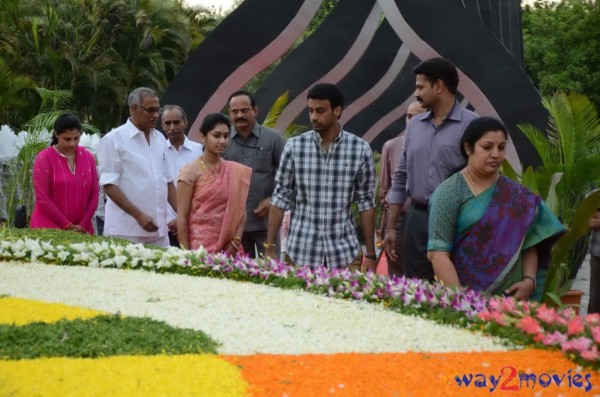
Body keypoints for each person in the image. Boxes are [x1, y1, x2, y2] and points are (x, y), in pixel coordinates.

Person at [427, 117, 565, 300]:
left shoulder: (517, 195)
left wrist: (529, 280)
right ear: (468, 148)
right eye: (487, 147)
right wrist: (461, 302)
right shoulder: (449, 193)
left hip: (511, 303)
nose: (496, 154)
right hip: (462, 300)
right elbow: (438, 255)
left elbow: (529, 240)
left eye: (501, 147)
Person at [265, 83, 377, 272]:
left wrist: (371, 255)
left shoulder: (359, 149)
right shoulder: (295, 147)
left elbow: (365, 203)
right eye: (310, 111)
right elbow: (280, 198)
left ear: (337, 111)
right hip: (301, 252)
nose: (314, 117)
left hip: (344, 254)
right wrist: (269, 248)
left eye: (320, 111)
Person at [384, 57, 478, 282]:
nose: (416, 93)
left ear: (439, 86)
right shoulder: (415, 125)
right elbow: (400, 177)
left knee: (457, 289)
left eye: (420, 87)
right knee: (415, 292)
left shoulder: (472, 125)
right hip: (416, 219)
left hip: (457, 221)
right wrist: (390, 228)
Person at [97, 87, 177, 247]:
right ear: (134, 109)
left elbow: (167, 181)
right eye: (150, 110)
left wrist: (183, 214)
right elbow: (109, 185)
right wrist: (138, 215)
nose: (156, 115)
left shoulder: (160, 138)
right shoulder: (113, 140)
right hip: (125, 232)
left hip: (159, 232)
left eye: (157, 110)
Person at [176, 113, 252, 255]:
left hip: (231, 247)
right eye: (216, 136)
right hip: (199, 249)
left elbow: (241, 211)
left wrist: (235, 241)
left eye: (226, 136)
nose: (222, 141)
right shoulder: (189, 172)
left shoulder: (234, 170)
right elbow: (182, 217)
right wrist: (186, 255)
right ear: (203, 137)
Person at [223, 90, 286, 257]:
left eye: (244, 110)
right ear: (229, 113)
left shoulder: (273, 138)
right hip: (234, 226)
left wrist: (274, 200)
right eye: (235, 111)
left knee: (272, 272)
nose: (239, 115)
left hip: (267, 224)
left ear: (255, 111)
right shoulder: (222, 139)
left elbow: (289, 176)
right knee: (238, 276)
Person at [377, 101, 426, 276]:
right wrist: (385, 227)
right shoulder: (391, 146)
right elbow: (385, 190)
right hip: (397, 219)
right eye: (408, 116)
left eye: (417, 116)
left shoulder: (433, 146)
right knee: (396, 272)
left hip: (425, 218)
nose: (411, 121)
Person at [30, 113, 99, 234]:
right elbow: (42, 198)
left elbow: (94, 195)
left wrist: (82, 225)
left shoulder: (88, 157)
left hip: (82, 229)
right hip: (48, 228)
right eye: (67, 139)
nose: (72, 143)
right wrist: (67, 226)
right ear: (57, 135)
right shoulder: (44, 158)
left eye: (76, 138)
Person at [162, 105, 203, 246]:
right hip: (164, 226)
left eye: (176, 122)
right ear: (162, 125)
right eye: (167, 123)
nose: (172, 127)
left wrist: (184, 219)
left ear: (185, 123)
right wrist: (171, 221)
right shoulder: (157, 152)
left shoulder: (200, 151)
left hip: (194, 224)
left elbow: (204, 189)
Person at [589, 208, 600, 313]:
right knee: (595, 296)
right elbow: (589, 222)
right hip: (597, 254)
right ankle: (593, 326)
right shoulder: (595, 195)